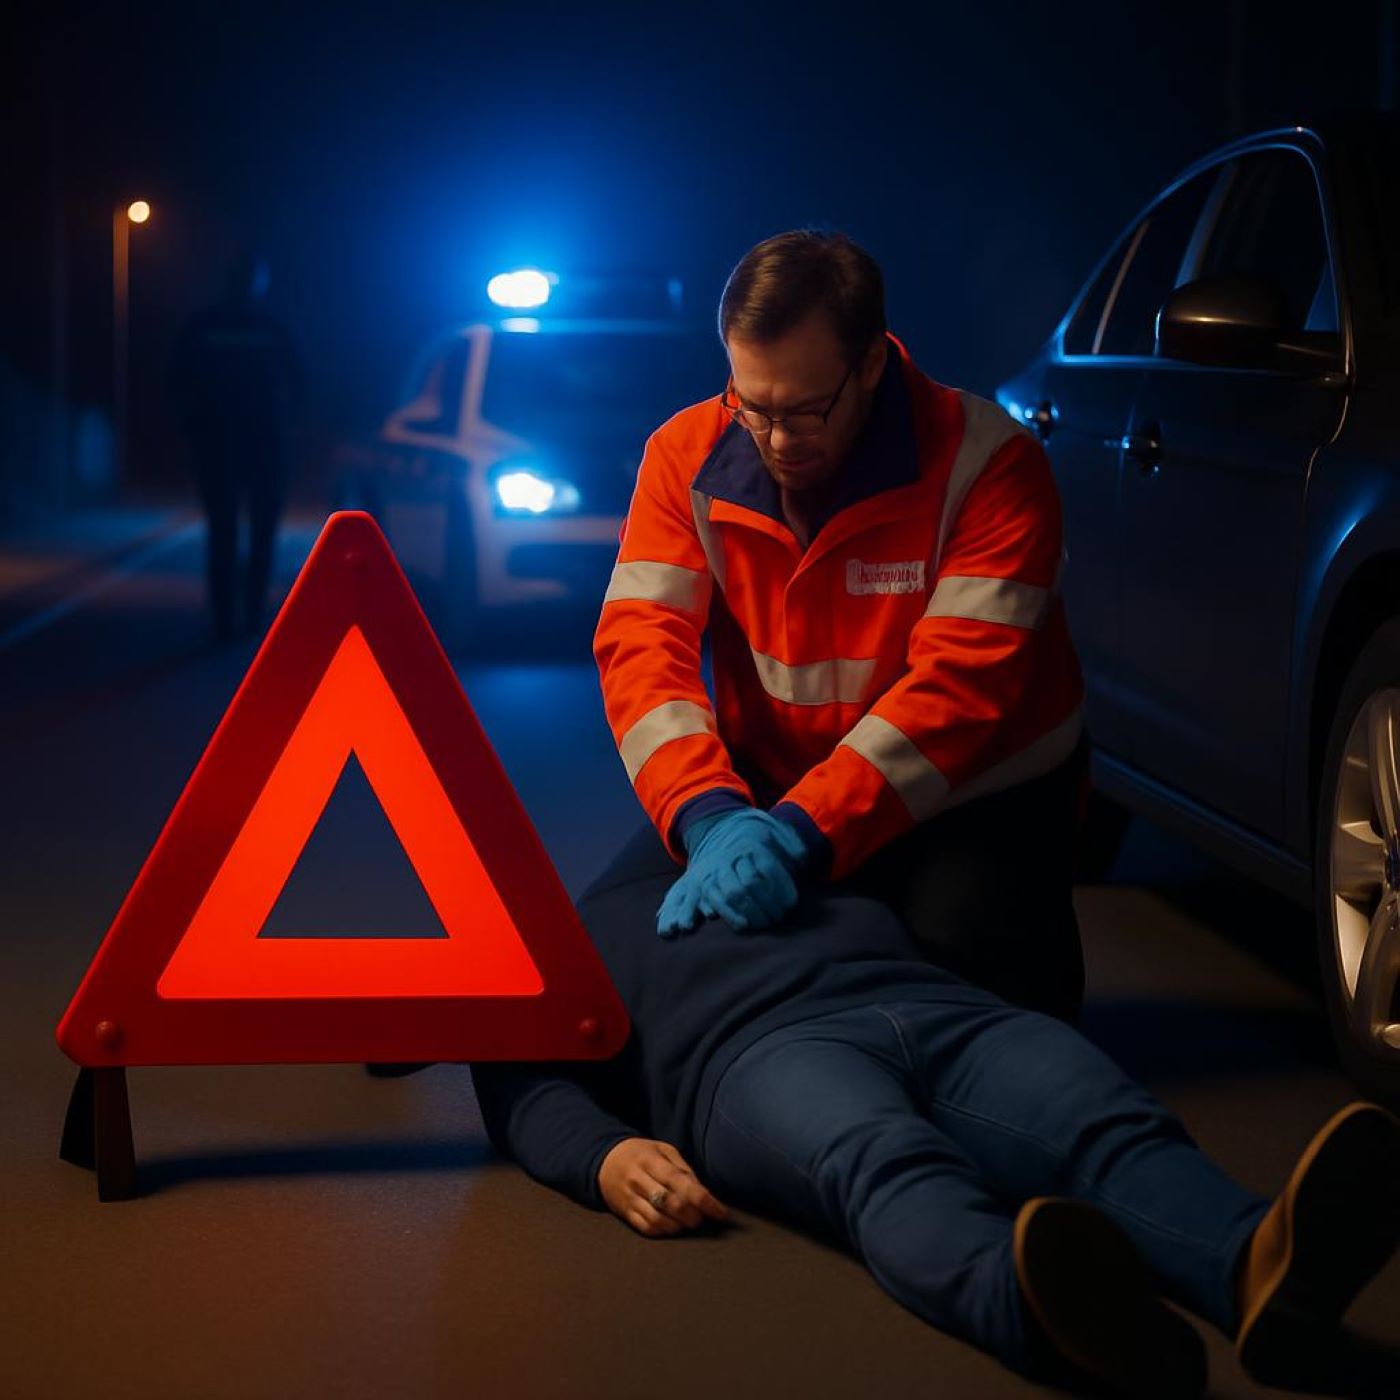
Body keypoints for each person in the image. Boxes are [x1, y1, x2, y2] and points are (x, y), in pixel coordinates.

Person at [469, 823, 1400, 1397]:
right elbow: (517, 1082)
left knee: (1098, 1112)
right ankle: (1037, 1303)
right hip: (757, 1053)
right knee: (881, 1162)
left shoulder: (746, 827)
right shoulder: (564, 944)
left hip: (932, 1000)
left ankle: (1255, 1269)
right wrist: (606, 1158)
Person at [593, 230, 1087, 1026]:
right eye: (753, 407)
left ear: (871, 365)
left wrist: (798, 836)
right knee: (611, 946)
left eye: (807, 410)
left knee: (971, 1008)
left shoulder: (989, 464)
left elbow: (960, 693)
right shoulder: (682, 456)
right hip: (769, 790)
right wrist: (709, 816)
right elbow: (642, 650)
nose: (780, 441)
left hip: (971, 794)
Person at [169, 249, 303, 644]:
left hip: (220, 444)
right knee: (257, 534)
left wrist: (192, 426)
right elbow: (299, 384)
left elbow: (177, 381)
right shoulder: (272, 327)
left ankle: (226, 620)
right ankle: (249, 619)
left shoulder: (203, 326)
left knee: (223, 534)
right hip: (261, 444)